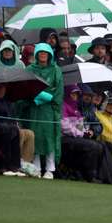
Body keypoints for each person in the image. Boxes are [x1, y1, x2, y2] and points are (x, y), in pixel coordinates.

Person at [17, 43, 63, 179]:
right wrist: (35, 96)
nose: (43, 55)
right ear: (36, 54)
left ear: (50, 54)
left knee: (49, 137)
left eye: (45, 53)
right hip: (33, 107)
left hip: (49, 109)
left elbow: (58, 90)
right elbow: (25, 87)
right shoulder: (30, 69)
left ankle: (50, 169)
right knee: (35, 136)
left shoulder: (56, 70)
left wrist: (46, 96)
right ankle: (36, 167)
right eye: (40, 52)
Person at [60, 85, 112, 184]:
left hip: (79, 137)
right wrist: (82, 133)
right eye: (85, 95)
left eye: (76, 94)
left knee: (108, 146)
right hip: (66, 138)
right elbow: (65, 126)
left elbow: (96, 126)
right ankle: (91, 175)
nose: (88, 97)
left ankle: (109, 175)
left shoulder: (83, 108)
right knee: (96, 146)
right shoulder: (66, 106)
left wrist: (91, 131)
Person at [0, 82, 38, 177]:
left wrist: (15, 123)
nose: (2, 90)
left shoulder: (8, 103)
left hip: (10, 127)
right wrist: (11, 124)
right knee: (13, 130)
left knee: (29, 133)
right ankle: (7, 164)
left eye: (3, 88)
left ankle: (20, 164)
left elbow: (13, 117)